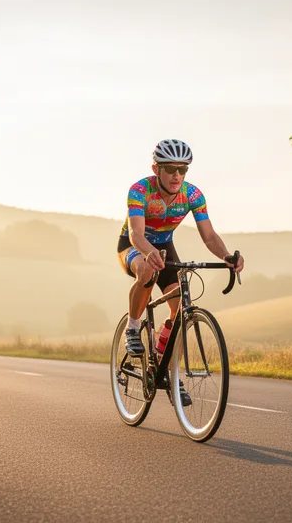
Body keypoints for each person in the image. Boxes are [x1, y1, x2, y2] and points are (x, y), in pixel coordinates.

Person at [117, 139, 245, 403]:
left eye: (183, 169)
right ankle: (133, 327)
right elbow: (136, 233)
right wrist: (149, 252)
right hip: (134, 246)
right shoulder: (140, 190)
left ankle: (165, 368)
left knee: (180, 309)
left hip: (165, 247)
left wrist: (226, 256)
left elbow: (209, 236)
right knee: (146, 271)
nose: (177, 175)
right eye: (170, 168)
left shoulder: (193, 195)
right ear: (156, 169)